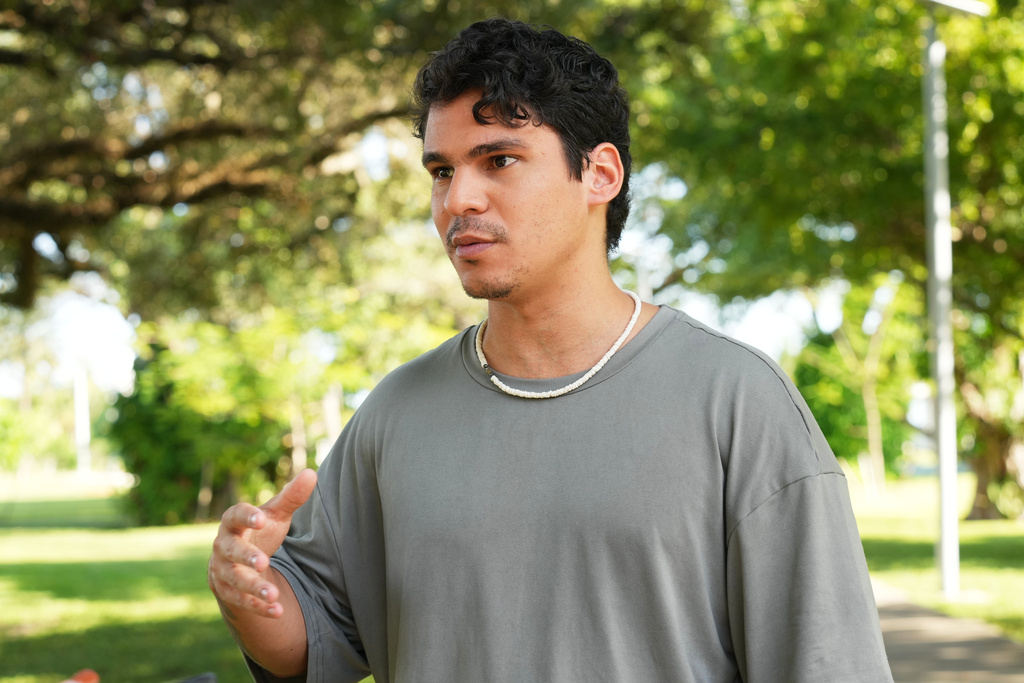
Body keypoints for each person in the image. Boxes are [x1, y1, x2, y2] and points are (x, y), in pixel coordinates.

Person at [208, 17, 894, 683]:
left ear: (599, 175)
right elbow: (313, 638)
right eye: (441, 171)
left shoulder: (739, 401)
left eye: (498, 159)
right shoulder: (394, 413)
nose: (457, 200)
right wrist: (251, 594)